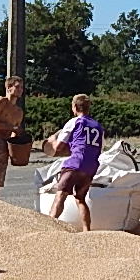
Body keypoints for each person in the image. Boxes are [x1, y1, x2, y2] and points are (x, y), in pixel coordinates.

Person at [47, 94, 105, 230]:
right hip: (91, 166)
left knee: (60, 194)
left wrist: (51, 140)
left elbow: (58, 147)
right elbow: (99, 149)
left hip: (75, 163)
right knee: (80, 198)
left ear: (74, 107)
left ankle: (49, 227)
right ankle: (86, 230)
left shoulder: (74, 122)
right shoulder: (98, 126)